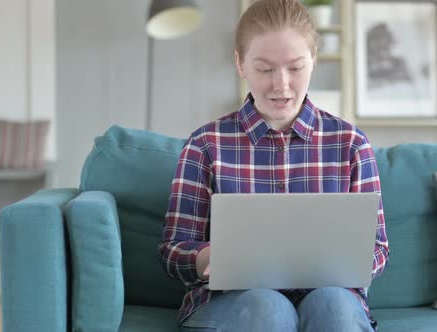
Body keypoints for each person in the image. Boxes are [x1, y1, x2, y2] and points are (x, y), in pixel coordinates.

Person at [159, 0, 389, 331]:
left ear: (313, 61)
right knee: (268, 307)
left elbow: (378, 249)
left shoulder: (351, 144)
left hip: (332, 300)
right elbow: (172, 250)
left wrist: (352, 263)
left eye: (295, 68)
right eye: (265, 69)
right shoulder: (206, 145)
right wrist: (207, 258)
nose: (280, 85)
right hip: (234, 303)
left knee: (334, 304)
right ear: (240, 64)